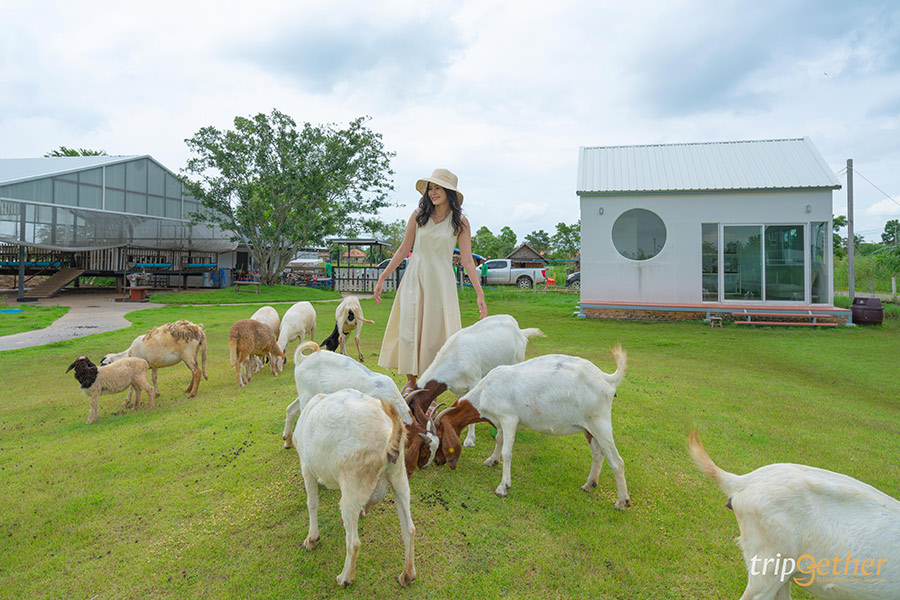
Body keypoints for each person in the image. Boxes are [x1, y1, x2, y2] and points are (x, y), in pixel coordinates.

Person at [374, 168, 487, 391]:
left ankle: (430, 390)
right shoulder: (418, 216)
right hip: (414, 281)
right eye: (431, 188)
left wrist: (480, 293)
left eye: (438, 188)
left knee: (437, 337)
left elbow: (467, 260)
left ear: (449, 192)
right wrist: (383, 277)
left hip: (441, 286)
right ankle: (413, 387)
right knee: (410, 331)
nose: (433, 192)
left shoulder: (460, 222)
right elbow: (402, 250)